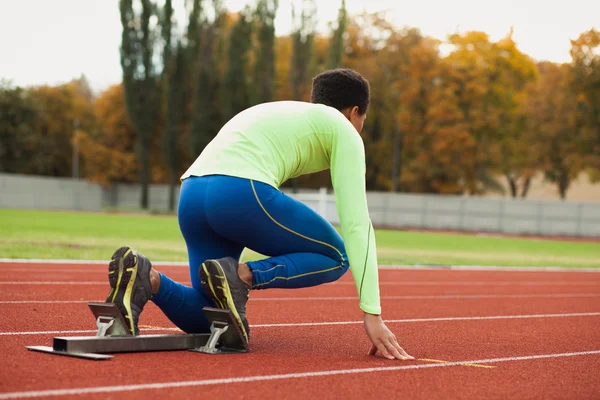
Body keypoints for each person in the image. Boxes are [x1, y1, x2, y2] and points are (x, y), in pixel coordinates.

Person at [105, 68, 413, 361]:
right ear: (354, 111)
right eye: (363, 119)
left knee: (212, 318)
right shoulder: (343, 128)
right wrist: (372, 313)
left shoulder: (281, 110)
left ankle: (147, 279)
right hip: (239, 192)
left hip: (192, 194)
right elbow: (357, 224)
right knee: (337, 256)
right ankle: (242, 276)